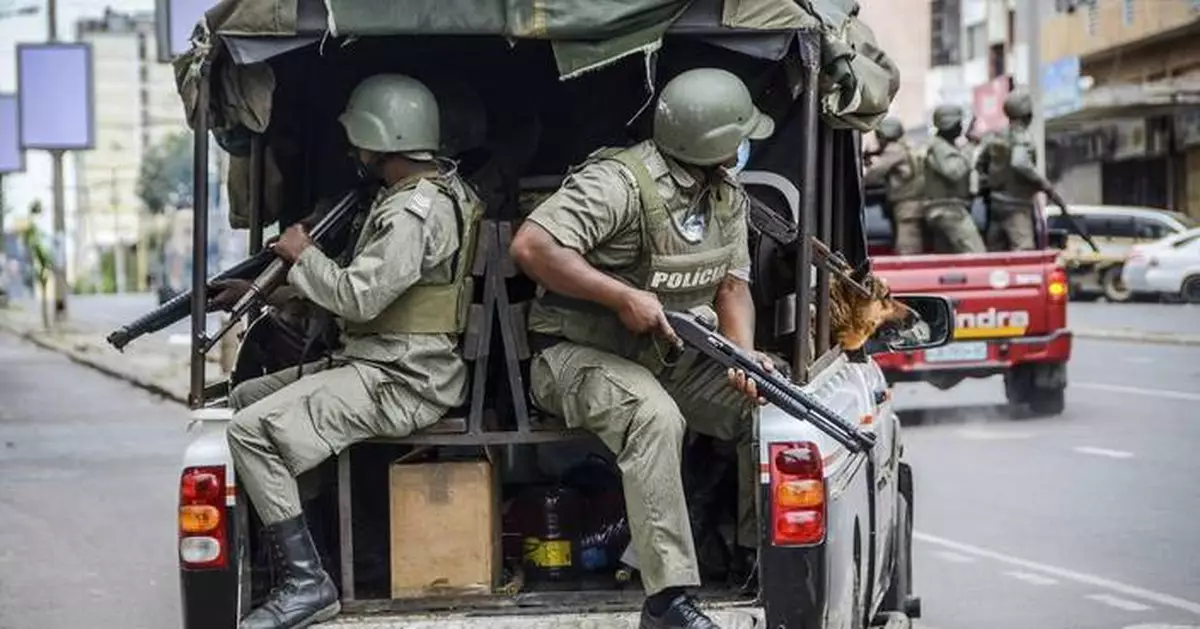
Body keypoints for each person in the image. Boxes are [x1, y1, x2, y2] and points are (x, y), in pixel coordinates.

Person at [510, 67, 775, 629]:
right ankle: (667, 599)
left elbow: (733, 286)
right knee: (652, 415)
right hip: (571, 358)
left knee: (766, 407)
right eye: (738, 136)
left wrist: (743, 356)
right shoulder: (619, 184)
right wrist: (619, 296)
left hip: (665, 357)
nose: (744, 146)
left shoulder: (726, 194)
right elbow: (532, 246)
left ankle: (757, 557)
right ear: (711, 143)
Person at [216, 74, 482, 629]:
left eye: (359, 134)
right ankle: (320, 550)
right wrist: (268, 292)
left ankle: (307, 582)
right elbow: (370, 294)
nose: (354, 146)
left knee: (249, 432)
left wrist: (302, 253)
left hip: (405, 378)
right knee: (246, 398)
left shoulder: (414, 211)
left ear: (382, 138)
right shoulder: (421, 194)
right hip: (381, 363)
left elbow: (359, 297)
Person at [977, 88, 1062, 251]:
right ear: (1027, 114)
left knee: (996, 251)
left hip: (996, 204)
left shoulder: (995, 136)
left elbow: (980, 163)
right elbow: (1020, 163)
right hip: (1016, 206)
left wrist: (989, 184)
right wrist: (1044, 185)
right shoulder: (1023, 138)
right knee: (1024, 251)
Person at [922, 105, 986, 254]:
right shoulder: (939, 147)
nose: (961, 127)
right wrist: (970, 146)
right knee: (977, 254)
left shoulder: (945, 146)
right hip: (948, 210)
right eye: (958, 123)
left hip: (947, 208)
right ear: (949, 125)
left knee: (949, 259)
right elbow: (954, 171)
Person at [864, 117, 926, 254]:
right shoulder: (906, 146)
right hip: (913, 204)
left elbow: (873, 175)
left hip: (907, 207)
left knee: (907, 251)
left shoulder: (894, 150)